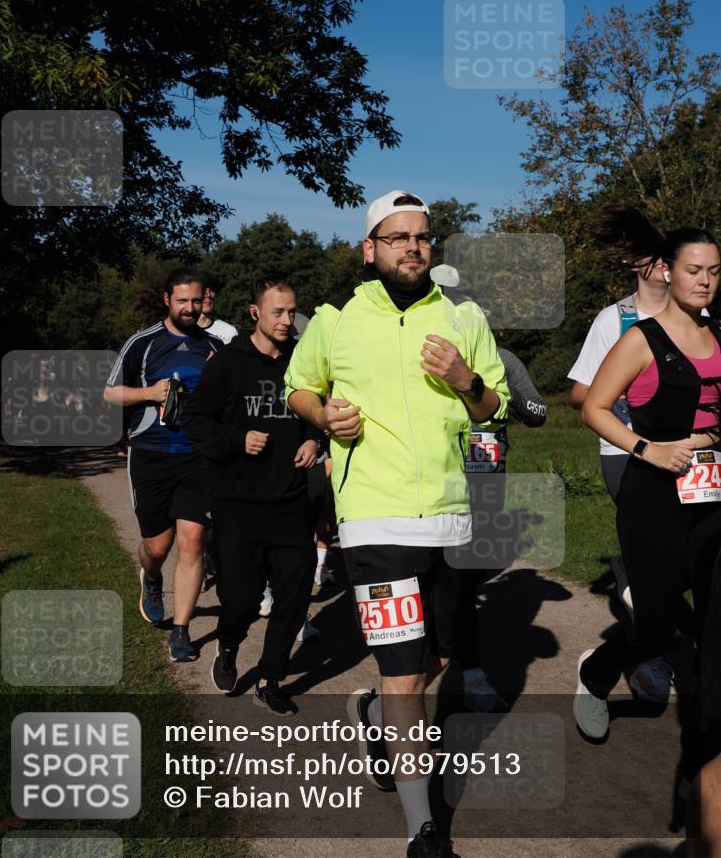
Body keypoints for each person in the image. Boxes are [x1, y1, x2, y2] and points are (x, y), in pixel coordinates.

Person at [285, 191, 510, 856]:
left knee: (437, 658)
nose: (412, 247)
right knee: (406, 675)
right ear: (370, 249)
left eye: (422, 237)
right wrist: (324, 417)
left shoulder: (464, 319)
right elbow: (300, 384)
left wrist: (467, 379)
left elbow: (490, 410)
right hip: (374, 522)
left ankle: (377, 717)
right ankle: (424, 828)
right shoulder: (338, 318)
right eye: (397, 237)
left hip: (447, 516)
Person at [574, 228, 721, 742]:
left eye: (713, 271)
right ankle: (596, 673)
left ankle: (706, 733)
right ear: (668, 272)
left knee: (712, 614)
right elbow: (591, 407)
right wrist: (647, 448)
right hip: (653, 495)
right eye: (693, 270)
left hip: (712, 492)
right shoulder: (641, 338)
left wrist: (708, 437)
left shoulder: (720, 333)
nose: (704, 281)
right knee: (658, 623)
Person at [182, 274, 321, 716]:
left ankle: (270, 676)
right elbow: (195, 419)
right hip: (237, 503)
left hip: (290, 500)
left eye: (292, 311)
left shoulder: (302, 360)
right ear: (254, 313)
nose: (287, 320)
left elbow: (318, 408)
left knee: (294, 596)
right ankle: (228, 645)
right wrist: (236, 441)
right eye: (277, 312)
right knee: (240, 602)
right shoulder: (228, 362)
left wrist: (314, 438)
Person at [568, 206, 677, 701]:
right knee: (656, 554)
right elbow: (580, 395)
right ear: (640, 266)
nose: (662, 267)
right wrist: (628, 391)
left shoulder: (697, 318)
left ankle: (633, 575)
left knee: (682, 555)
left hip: (684, 452)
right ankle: (649, 658)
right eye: (653, 259)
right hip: (624, 450)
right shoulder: (614, 320)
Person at [430, 264, 548, 710]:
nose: (459, 309)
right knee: (443, 588)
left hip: (485, 490)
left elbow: (538, 413)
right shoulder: (423, 357)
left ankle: (471, 673)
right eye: (449, 301)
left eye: (465, 302)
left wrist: (493, 392)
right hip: (437, 489)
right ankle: (444, 671)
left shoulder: (502, 357)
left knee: (457, 588)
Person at [104, 269, 221, 663]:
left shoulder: (215, 347)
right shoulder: (143, 343)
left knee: (192, 541)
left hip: (197, 457)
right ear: (167, 300)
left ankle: (181, 631)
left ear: (205, 300)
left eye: (196, 300)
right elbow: (109, 392)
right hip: (151, 453)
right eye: (182, 301)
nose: (190, 308)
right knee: (158, 545)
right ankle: (151, 578)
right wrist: (150, 393)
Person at [197, 273, 238, 344]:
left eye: (212, 290)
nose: (208, 295)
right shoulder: (182, 329)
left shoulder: (230, 332)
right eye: (203, 289)